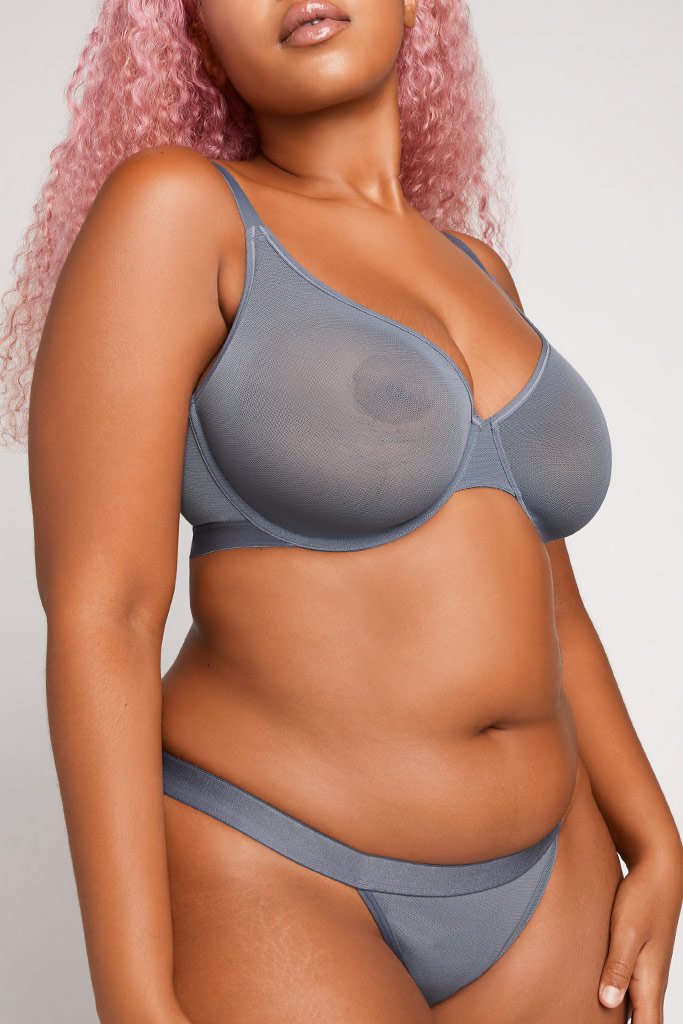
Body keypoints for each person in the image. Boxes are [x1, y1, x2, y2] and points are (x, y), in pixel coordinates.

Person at [1, 1, 681, 1022]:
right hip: (280, 871)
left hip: (554, 881)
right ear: (193, 35)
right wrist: (132, 994)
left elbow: (554, 606)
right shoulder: (178, 212)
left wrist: (654, 837)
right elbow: (107, 613)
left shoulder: (478, 270)